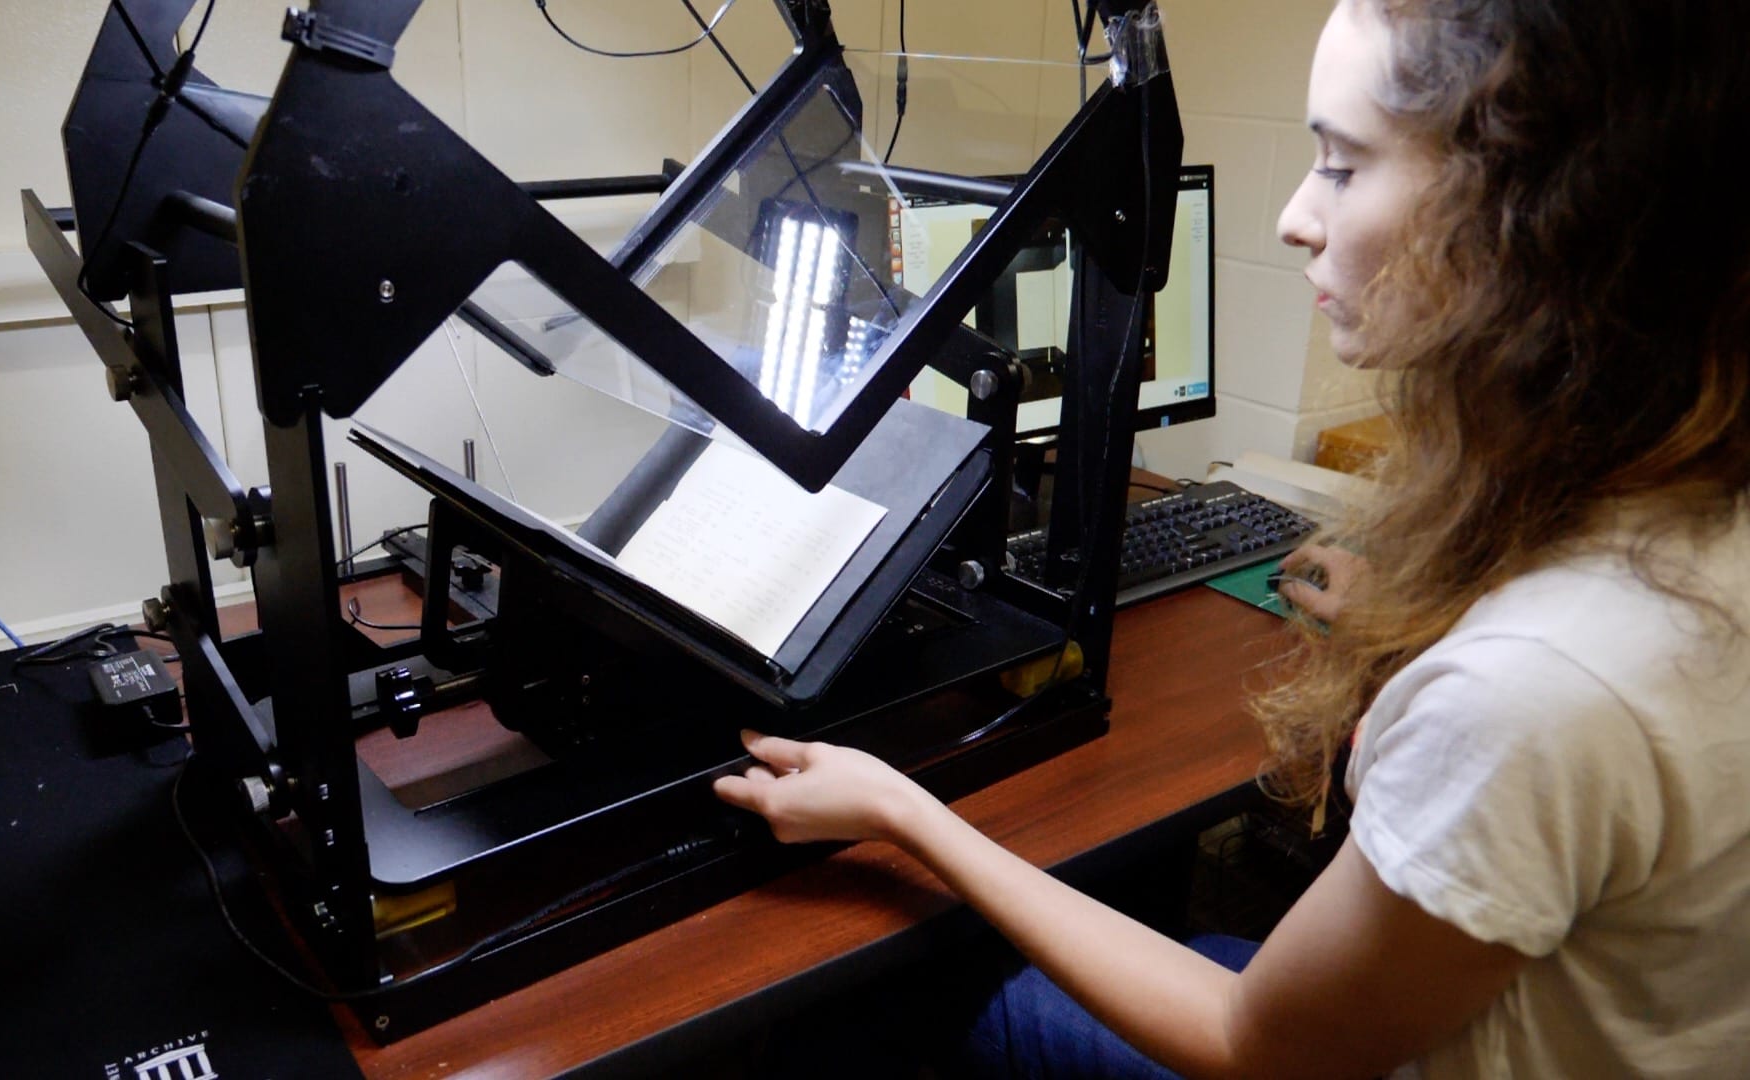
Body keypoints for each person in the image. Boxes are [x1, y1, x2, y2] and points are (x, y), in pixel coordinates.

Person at [713, 0, 1750, 1075]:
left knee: (942, 995)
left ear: (1539, 212)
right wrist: (1423, 618)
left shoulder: (1533, 691)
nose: (1296, 216)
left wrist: (906, 813)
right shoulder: (1688, 528)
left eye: (1343, 167)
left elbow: (1254, 1044)